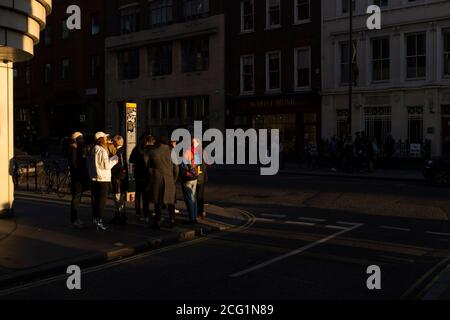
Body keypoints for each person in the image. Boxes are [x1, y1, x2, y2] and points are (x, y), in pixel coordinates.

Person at [144, 137, 179, 229]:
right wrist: (173, 179)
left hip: (157, 179)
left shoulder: (152, 152)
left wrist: (152, 173)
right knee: (170, 202)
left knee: (158, 202)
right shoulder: (172, 151)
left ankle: (157, 222)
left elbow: (146, 164)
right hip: (169, 179)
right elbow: (176, 168)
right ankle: (172, 220)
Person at [88, 132, 118, 231]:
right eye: (105, 137)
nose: (107, 139)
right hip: (103, 179)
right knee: (102, 201)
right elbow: (106, 166)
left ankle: (95, 219)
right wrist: (114, 159)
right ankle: (99, 221)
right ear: (101, 139)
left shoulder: (93, 149)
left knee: (96, 201)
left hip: (94, 178)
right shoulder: (101, 150)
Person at [68, 132, 89, 229]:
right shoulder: (74, 149)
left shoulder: (78, 149)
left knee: (77, 198)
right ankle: (74, 219)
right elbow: (74, 164)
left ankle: (75, 219)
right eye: (81, 139)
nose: (83, 140)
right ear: (77, 139)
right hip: (77, 178)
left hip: (78, 177)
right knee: (76, 199)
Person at [110, 135, 128, 225]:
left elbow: (118, 166)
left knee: (118, 199)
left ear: (116, 142)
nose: (112, 143)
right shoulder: (125, 150)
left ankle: (119, 217)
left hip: (118, 178)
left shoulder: (119, 152)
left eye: (113, 141)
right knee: (122, 199)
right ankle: (123, 216)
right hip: (123, 178)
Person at [180, 147, 199, 224]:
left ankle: (192, 218)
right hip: (195, 178)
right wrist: (197, 174)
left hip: (187, 179)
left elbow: (182, 168)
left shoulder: (185, 154)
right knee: (194, 198)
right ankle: (194, 217)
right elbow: (198, 166)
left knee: (189, 199)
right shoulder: (195, 153)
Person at [192, 138, 208, 218]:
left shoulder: (197, 151)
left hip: (199, 176)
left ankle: (199, 212)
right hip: (202, 175)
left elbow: (198, 164)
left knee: (198, 195)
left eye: (193, 142)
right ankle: (200, 211)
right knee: (200, 195)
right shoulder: (202, 150)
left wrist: (198, 173)